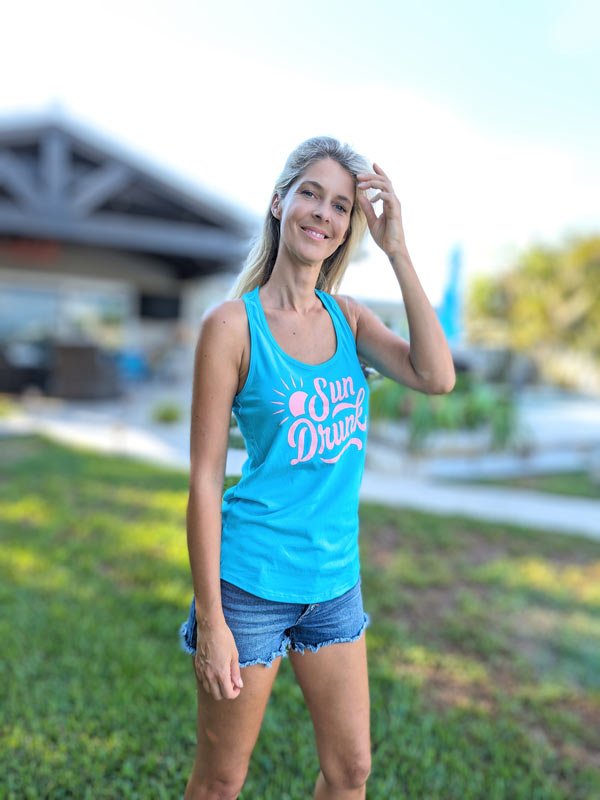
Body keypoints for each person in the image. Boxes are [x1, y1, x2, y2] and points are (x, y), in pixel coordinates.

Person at [179, 136, 455, 800]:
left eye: (340, 206)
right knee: (221, 779)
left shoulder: (350, 319)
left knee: (352, 770)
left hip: (334, 584)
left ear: (345, 231)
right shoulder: (231, 327)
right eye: (310, 193)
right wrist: (213, 621)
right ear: (280, 202)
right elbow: (204, 481)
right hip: (250, 584)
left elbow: (436, 375)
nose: (323, 214)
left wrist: (397, 250)